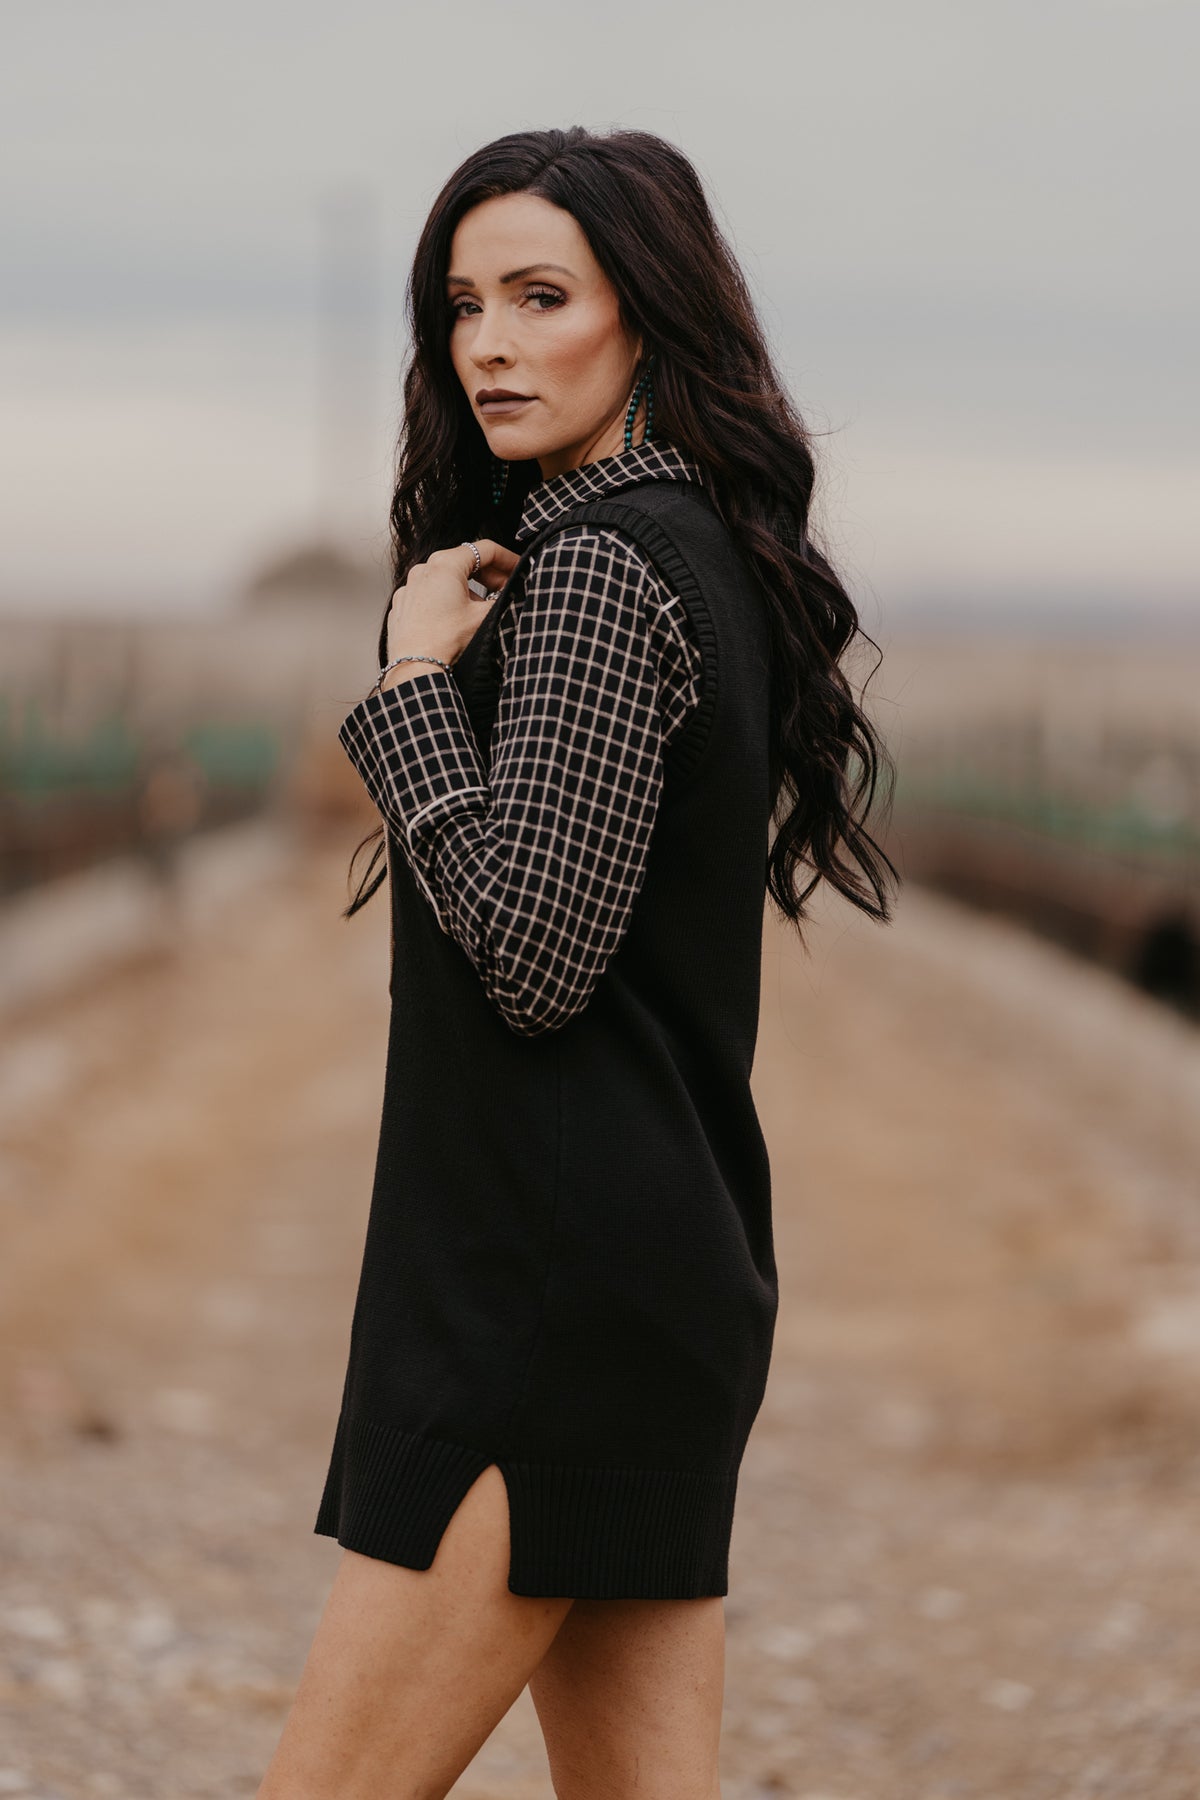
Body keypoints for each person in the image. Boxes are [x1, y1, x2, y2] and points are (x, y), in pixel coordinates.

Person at [257, 126, 897, 1800]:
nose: (489, 342)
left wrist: (411, 691)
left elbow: (533, 953)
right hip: (642, 1285)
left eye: (542, 296)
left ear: (649, 314)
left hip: (532, 1313)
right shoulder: (693, 550)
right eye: (463, 304)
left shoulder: (603, 571)